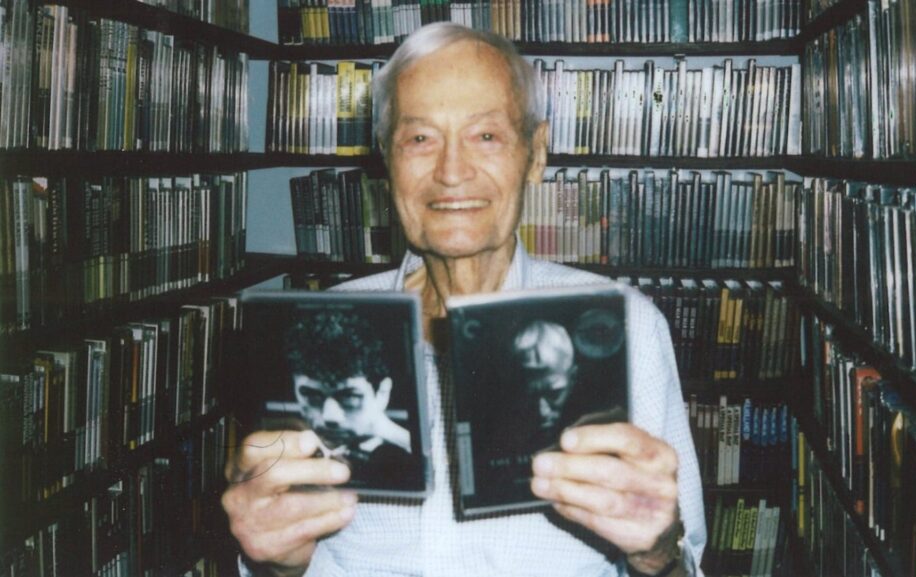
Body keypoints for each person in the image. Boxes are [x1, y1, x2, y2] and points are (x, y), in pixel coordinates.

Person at [222, 22, 706, 577]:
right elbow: (280, 556)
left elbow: (683, 562)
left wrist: (657, 553)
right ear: (387, 161)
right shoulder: (320, 327)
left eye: (486, 136)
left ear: (536, 155)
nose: (452, 172)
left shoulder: (626, 325)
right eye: (420, 139)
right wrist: (274, 563)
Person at [283, 310, 416, 483]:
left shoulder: (414, 456)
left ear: (382, 393)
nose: (329, 417)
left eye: (349, 398)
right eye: (313, 397)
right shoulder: (282, 453)